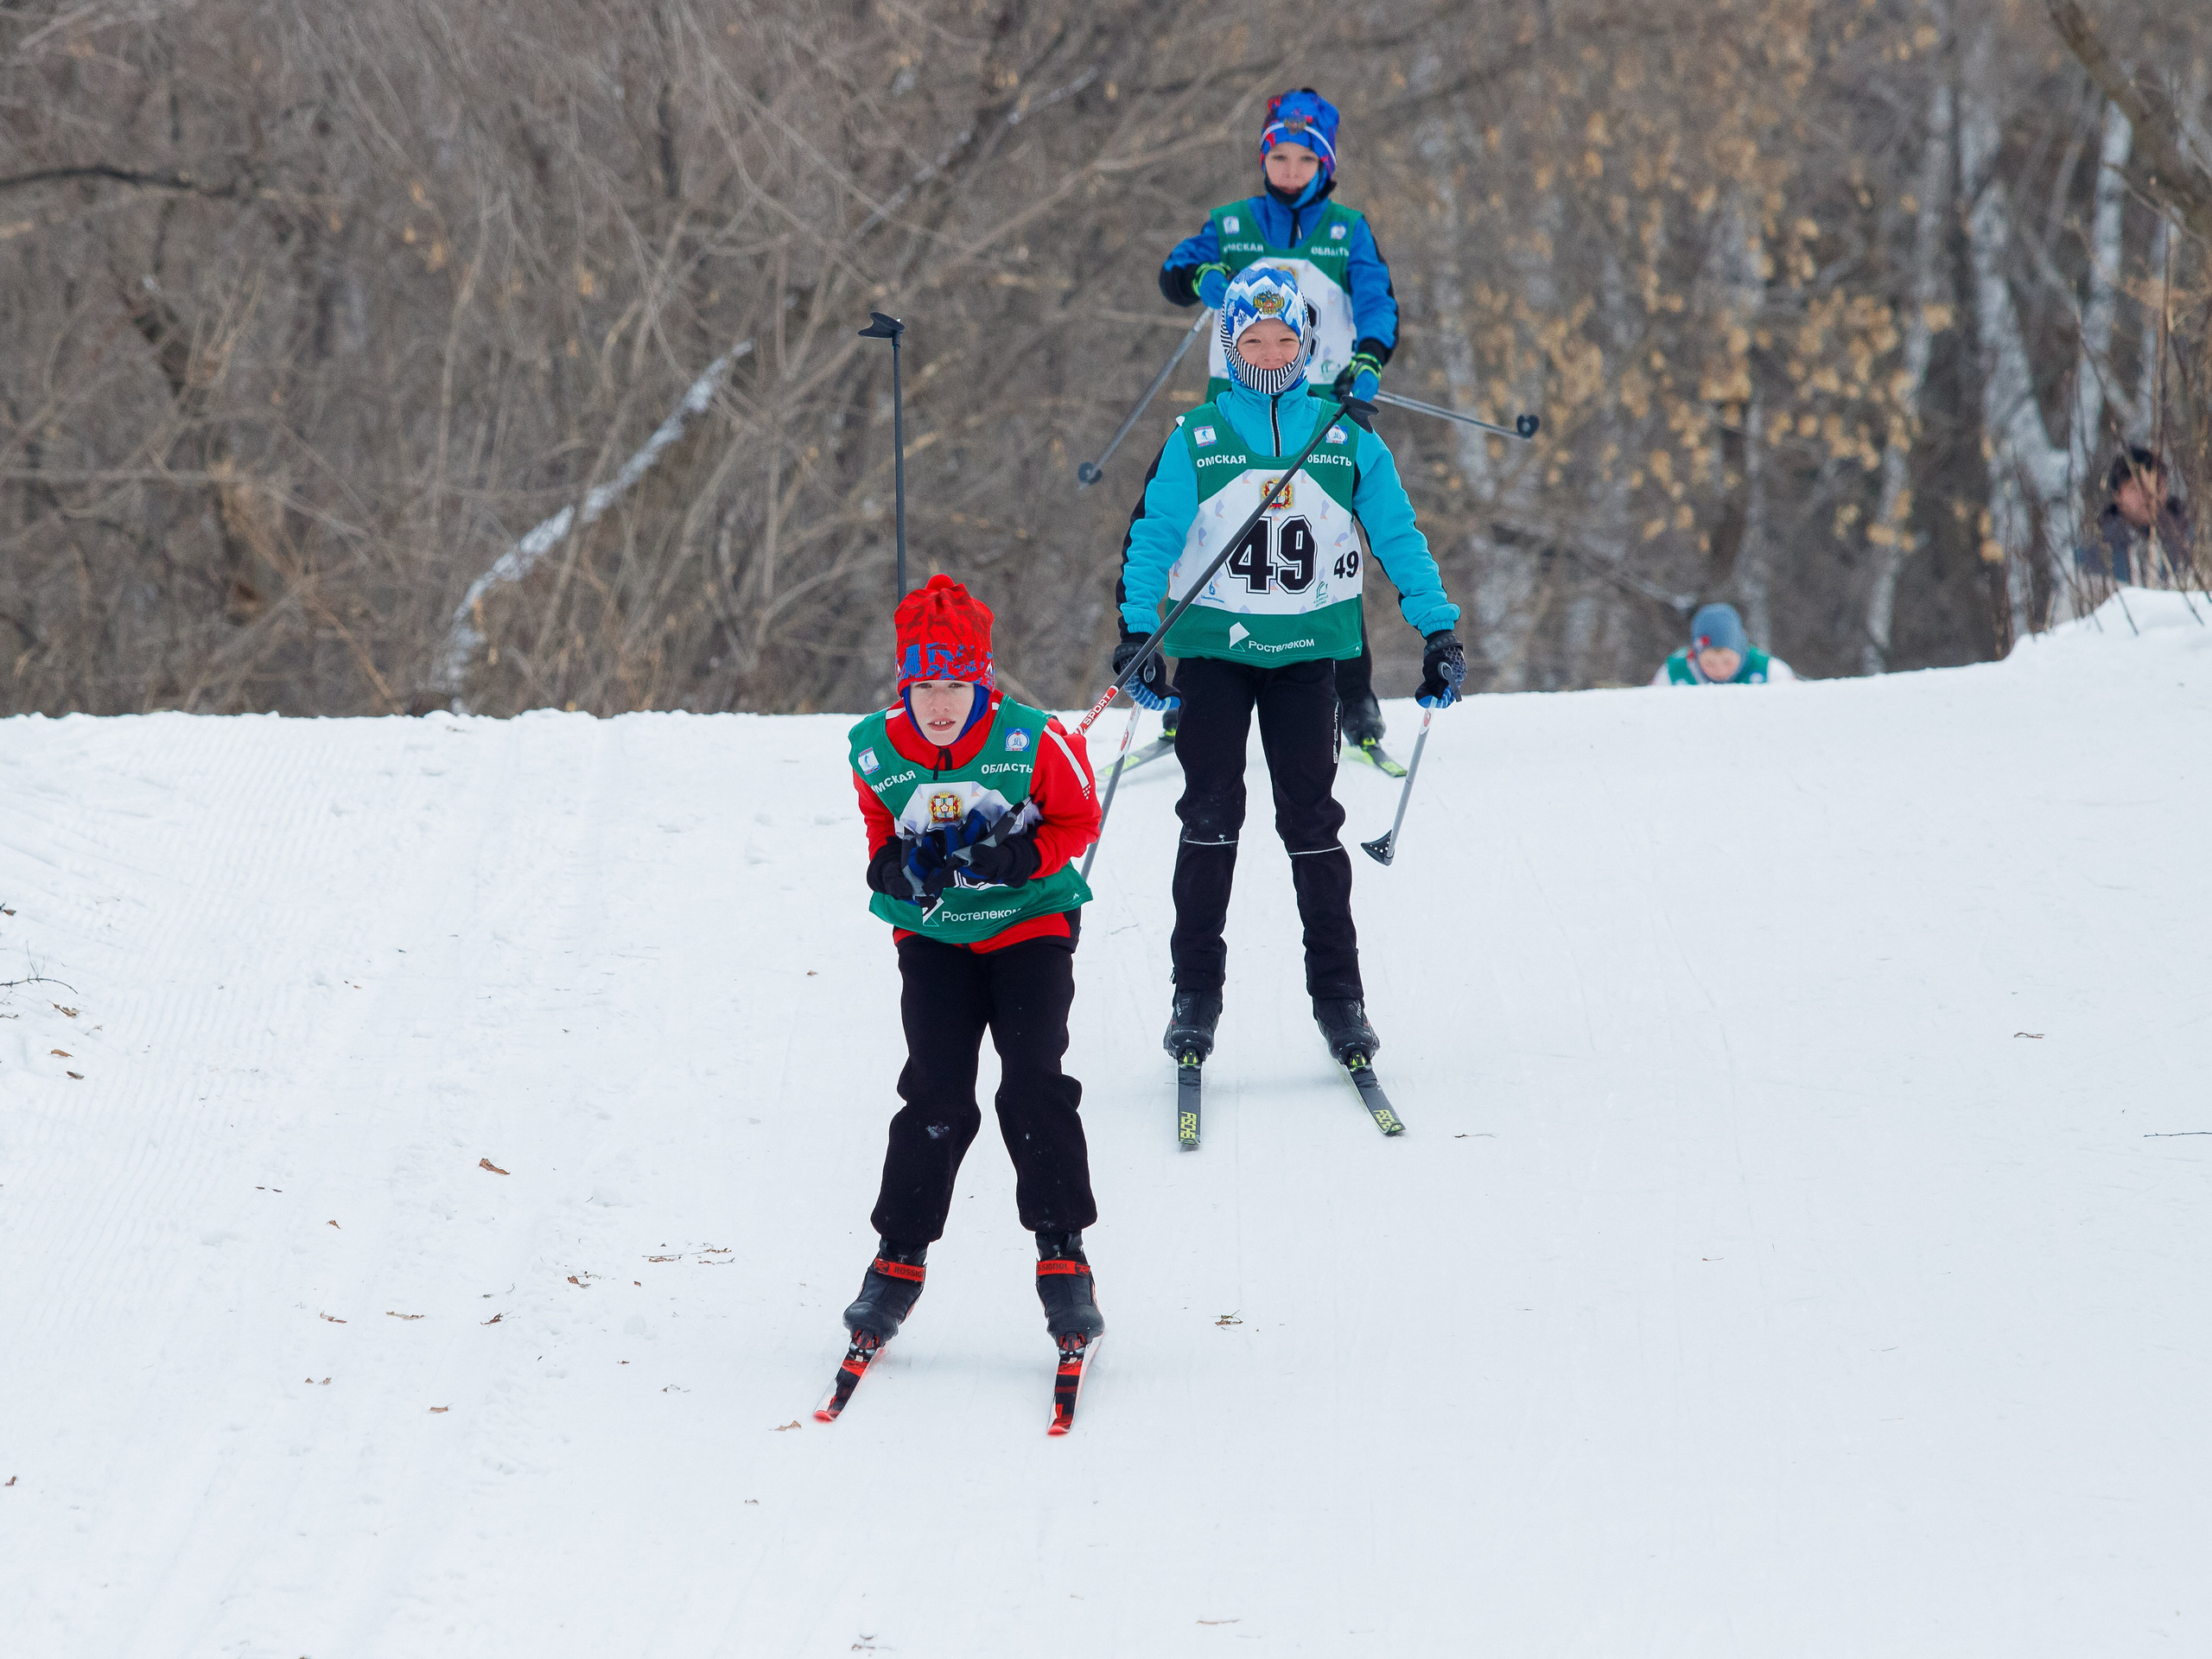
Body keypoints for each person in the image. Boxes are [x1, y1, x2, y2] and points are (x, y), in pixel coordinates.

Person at [1111, 264, 1465, 1069]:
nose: (1268, 352)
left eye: (1283, 339)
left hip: (1308, 657)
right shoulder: (1195, 437)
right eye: (1251, 339)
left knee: (1311, 825)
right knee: (1209, 818)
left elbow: (1400, 538)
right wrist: (1138, 632)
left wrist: (1438, 630)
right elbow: (1154, 537)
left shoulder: (1346, 439)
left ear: (1307, 344)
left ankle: (1340, 999)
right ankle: (1194, 992)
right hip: (1213, 656)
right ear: (1229, 344)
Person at [839, 574, 1105, 1356]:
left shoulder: (1033, 738)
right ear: (905, 685)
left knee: (1031, 1085)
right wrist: (893, 871)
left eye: (956, 681)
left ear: (981, 677)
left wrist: (1023, 853)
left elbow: (1077, 817)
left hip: (1031, 927)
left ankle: (1064, 1259)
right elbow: (876, 831)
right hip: (934, 938)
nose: (941, 702)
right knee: (936, 1094)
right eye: (925, 685)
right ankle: (897, 1261)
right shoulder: (875, 748)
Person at [1158, 88, 1402, 753]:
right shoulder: (1233, 224)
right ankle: (1190, 687)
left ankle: (1354, 694)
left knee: (1330, 544)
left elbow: (1377, 302)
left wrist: (1370, 359)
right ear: (1264, 158)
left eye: (1305, 159)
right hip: (1234, 407)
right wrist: (1205, 277)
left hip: (1317, 408)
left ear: (1326, 165)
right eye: (1279, 156)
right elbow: (1174, 272)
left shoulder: (1349, 229)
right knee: (1210, 540)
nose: (1290, 170)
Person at [2080, 447, 2193, 589]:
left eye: (2156, 485)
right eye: (2134, 488)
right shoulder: (2095, 555)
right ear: (2117, 495)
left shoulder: (2192, 543)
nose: (2148, 495)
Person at [1652, 602, 1797, 685]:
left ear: (1741, 651)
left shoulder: (1770, 672)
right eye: (1709, 663)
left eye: (1727, 662)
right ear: (1695, 654)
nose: (1720, 671)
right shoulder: (1675, 672)